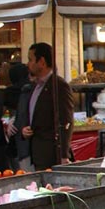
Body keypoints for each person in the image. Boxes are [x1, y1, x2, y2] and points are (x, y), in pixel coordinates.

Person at [21, 42, 74, 170]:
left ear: (42, 62)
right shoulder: (36, 86)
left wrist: (63, 154)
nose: (28, 64)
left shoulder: (58, 86)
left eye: (30, 59)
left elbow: (66, 120)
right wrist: (26, 130)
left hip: (52, 154)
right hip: (38, 154)